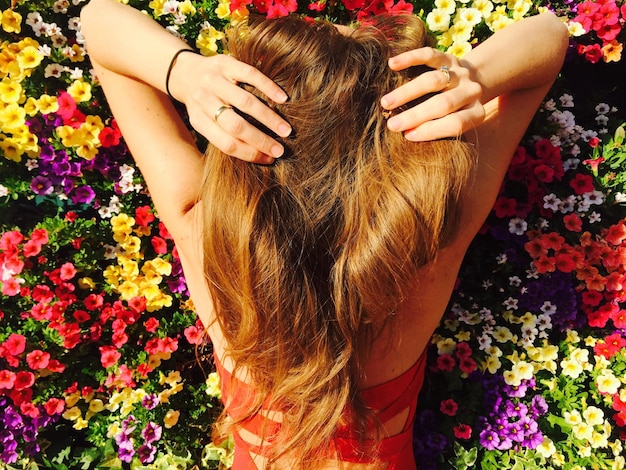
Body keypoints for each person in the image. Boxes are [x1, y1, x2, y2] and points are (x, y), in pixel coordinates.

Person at [80, 1, 569, 468]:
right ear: (399, 168)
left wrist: (184, 72)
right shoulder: (428, 248)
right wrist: (469, 79)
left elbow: (98, 20)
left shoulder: (200, 227)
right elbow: (551, 34)